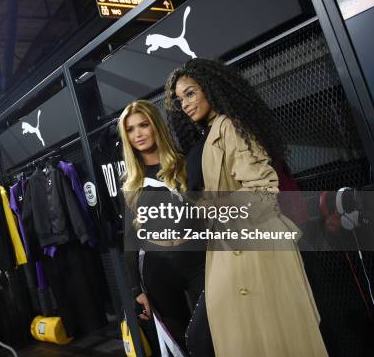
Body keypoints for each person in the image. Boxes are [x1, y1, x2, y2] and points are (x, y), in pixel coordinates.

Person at [165, 58, 328, 357]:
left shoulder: (230, 127)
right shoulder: (213, 132)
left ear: (209, 88)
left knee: (268, 340)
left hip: (254, 249)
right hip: (234, 248)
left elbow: (263, 191)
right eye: (179, 99)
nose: (185, 104)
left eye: (190, 93)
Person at [118, 100, 213, 356]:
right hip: (157, 269)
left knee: (211, 335)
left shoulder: (184, 164)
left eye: (143, 125)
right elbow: (130, 238)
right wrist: (136, 290)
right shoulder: (130, 184)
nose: (137, 134)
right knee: (181, 344)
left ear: (155, 126)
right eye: (130, 129)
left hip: (197, 261)